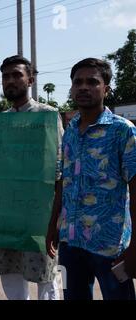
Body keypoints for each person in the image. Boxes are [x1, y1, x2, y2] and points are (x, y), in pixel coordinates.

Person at [0, 56, 63, 300]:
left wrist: (56, 219)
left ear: (30, 79)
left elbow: (59, 167)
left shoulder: (48, 116)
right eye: (6, 76)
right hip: (3, 215)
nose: (10, 80)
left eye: (16, 75)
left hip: (38, 216)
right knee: (10, 275)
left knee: (46, 278)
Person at [46, 58, 136, 300]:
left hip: (110, 245)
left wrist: (135, 246)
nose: (84, 87)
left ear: (106, 88)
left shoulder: (123, 130)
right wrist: (54, 224)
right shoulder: (71, 130)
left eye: (92, 82)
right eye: (78, 82)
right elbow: (63, 182)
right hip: (70, 242)